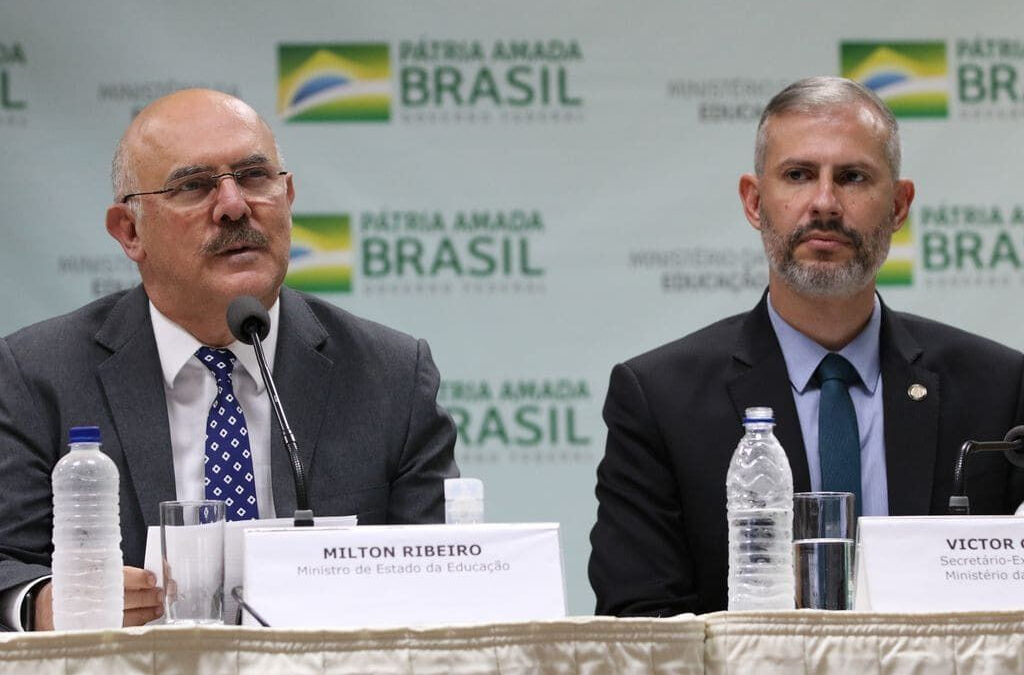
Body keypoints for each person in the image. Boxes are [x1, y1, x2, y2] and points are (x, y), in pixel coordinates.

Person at [0, 89, 458, 630]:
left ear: (287, 196)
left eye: (255, 176)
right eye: (193, 186)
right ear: (129, 231)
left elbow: (443, 578)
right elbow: (8, 559)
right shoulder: (37, 374)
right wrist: (43, 602)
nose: (234, 205)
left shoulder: (392, 375)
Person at [588, 76, 1024, 617]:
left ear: (899, 205)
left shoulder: (999, 390)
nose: (824, 203)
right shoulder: (659, 400)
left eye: (853, 177)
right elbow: (641, 624)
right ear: (754, 201)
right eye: (798, 175)